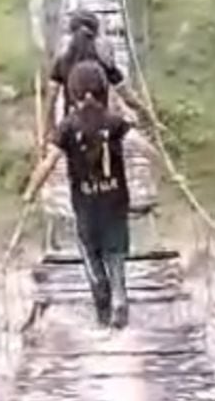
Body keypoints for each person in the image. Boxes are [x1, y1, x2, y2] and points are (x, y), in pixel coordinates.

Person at [24, 58, 154, 328]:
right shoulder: (115, 122)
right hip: (116, 201)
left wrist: (30, 191)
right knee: (116, 250)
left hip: (85, 205)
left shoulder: (68, 127)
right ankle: (119, 294)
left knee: (90, 250)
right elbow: (142, 146)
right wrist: (168, 172)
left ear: (71, 91)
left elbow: (49, 163)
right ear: (103, 89)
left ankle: (101, 298)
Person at [41, 14, 148, 149]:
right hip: (103, 123)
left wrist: (48, 129)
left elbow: (52, 98)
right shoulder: (103, 60)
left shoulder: (62, 61)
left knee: (73, 162)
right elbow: (126, 95)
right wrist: (146, 114)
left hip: (71, 123)